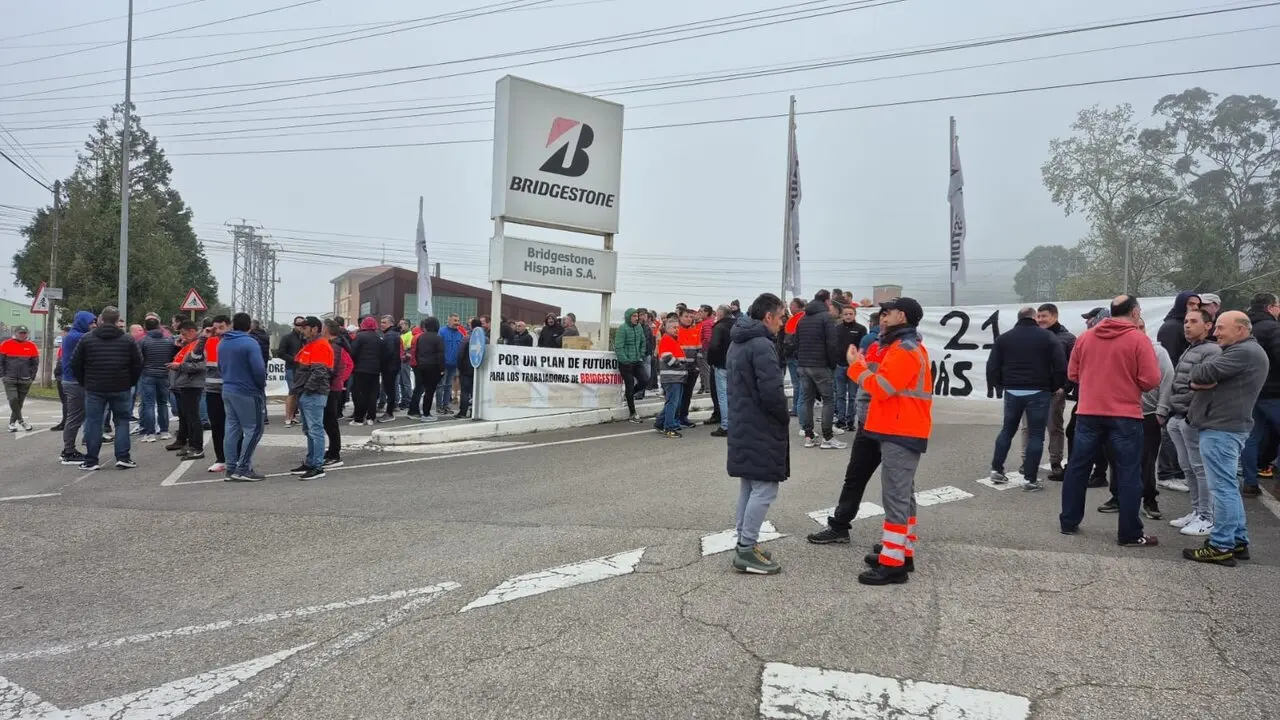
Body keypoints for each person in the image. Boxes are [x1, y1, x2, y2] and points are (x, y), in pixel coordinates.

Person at [809, 297, 933, 586]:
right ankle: (901, 553)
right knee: (903, 495)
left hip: (900, 430)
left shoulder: (904, 349)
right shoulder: (903, 346)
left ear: (902, 316)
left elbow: (883, 387)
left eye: (888, 312)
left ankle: (893, 565)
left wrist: (855, 367)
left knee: (896, 498)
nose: (882, 317)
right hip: (899, 428)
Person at [1059, 295, 1162, 547]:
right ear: (1135, 312)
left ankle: (1068, 522)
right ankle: (1130, 533)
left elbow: (1073, 374)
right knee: (1128, 472)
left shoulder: (1085, 338)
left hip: (1088, 412)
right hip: (1125, 414)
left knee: (1078, 468)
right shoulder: (1138, 339)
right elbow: (1150, 380)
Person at [1184, 310, 1269, 566]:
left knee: (1222, 488)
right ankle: (1237, 539)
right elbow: (1202, 377)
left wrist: (1200, 378)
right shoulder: (1243, 351)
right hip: (1226, 426)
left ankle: (1221, 545)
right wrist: (1202, 380)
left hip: (1222, 428)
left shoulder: (1243, 352)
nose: (1215, 332)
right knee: (1228, 486)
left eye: (1221, 327)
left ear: (1240, 330)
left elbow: (1199, 372)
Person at [726, 293, 789, 575]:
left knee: (749, 486)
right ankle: (746, 548)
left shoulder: (738, 341)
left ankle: (744, 541)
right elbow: (771, 391)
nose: (782, 323)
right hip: (761, 424)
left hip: (742, 420)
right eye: (781, 317)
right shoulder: (762, 344)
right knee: (765, 488)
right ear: (768, 316)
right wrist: (783, 416)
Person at [986, 307, 1066, 491]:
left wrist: (1001, 385)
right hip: (1039, 391)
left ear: (1019, 318)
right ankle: (1030, 480)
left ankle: (996, 469)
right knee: (1036, 435)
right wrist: (1053, 386)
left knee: (1007, 431)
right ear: (1034, 318)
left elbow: (992, 366)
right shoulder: (1047, 337)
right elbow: (1060, 365)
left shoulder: (1004, 338)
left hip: (1013, 391)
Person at [1158, 307, 1220, 538]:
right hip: (1179, 416)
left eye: (1193, 321)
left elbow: (1205, 385)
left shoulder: (1212, 351)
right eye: (1186, 321)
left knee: (1200, 469)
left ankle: (1206, 516)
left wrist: (1190, 414)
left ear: (1208, 326)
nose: (1187, 325)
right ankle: (1196, 511)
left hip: (1192, 418)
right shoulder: (1191, 349)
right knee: (1188, 468)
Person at [70, 307, 143, 471]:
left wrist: (84, 381)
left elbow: (75, 363)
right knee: (122, 421)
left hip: (95, 387)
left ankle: (91, 460)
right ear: (118, 321)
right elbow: (138, 363)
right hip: (121, 386)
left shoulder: (87, 339)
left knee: (94, 423)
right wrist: (130, 381)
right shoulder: (127, 340)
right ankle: (123, 457)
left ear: (101, 320)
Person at [1018, 303, 1076, 482]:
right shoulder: (1030, 336)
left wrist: (1065, 388)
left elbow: (1074, 365)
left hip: (1054, 392)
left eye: (1044, 316)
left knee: (1054, 428)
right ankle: (1027, 461)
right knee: (1028, 428)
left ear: (1055, 316)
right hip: (1031, 390)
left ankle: (1055, 462)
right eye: (1038, 316)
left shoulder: (1068, 338)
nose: (1040, 319)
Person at [1239, 292, 1280, 498]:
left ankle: (1250, 483)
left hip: (1251, 391)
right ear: (1270, 308)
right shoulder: (1274, 328)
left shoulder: (1245, 328)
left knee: (1252, 437)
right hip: (1274, 392)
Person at [219, 312, 268, 482]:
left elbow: (220, 366)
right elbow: (259, 369)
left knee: (232, 429)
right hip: (247, 390)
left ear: (233, 324)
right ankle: (243, 468)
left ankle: (231, 468)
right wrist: (260, 386)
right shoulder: (250, 342)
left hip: (228, 388)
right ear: (249, 326)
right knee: (254, 429)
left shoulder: (223, 342)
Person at [795, 290, 844, 449]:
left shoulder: (803, 319)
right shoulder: (826, 317)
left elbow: (797, 341)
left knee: (807, 400)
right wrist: (832, 364)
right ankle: (827, 437)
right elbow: (832, 343)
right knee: (828, 400)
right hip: (821, 365)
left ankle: (809, 436)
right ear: (826, 301)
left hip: (803, 365)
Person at [290, 316, 335, 481]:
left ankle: (317, 466)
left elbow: (319, 372)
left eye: (305, 327)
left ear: (315, 328)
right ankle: (311, 462)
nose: (302, 330)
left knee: (315, 430)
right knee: (310, 430)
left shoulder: (320, 345)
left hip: (314, 393)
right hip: (309, 392)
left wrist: (307, 390)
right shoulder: (311, 344)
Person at [192, 315, 230, 474]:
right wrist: (203, 337)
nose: (218, 331)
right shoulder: (209, 341)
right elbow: (195, 357)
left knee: (234, 426)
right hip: (213, 390)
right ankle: (221, 459)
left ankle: (236, 457)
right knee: (217, 426)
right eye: (215, 328)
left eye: (222, 327)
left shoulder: (232, 341)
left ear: (229, 326)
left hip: (231, 389)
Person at [58, 311, 96, 465]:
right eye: (91, 322)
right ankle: (69, 451)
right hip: (74, 382)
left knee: (77, 416)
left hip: (74, 381)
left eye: (94, 322)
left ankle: (69, 449)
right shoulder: (78, 337)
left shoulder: (74, 335)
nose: (93, 325)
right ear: (82, 322)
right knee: (74, 417)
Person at [168, 321, 206, 459]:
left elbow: (200, 366)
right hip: (184, 384)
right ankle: (189, 443)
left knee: (193, 417)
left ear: (192, 331)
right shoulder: (189, 345)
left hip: (192, 384)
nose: (182, 337)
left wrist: (179, 366)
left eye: (184, 334)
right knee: (187, 416)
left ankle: (196, 446)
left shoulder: (198, 345)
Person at [136, 317, 175, 443]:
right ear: (159, 326)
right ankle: (164, 431)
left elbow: (138, 359)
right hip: (164, 375)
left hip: (147, 375)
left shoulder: (143, 341)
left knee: (149, 404)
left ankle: (150, 433)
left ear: (145, 327)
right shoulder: (169, 340)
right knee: (163, 403)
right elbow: (172, 356)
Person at [323, 319, 354, 468]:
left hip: (331, 387)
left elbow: (334, 368)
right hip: (333, 386)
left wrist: (339, 379)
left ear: (327, 330)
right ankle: (332, 451)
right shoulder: (338, 344)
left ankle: (334, 454)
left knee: (330, 421)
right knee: (329, 421)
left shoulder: (335, 346)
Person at [833, 305, 867, 431]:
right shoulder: (837, 329)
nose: (848, 316)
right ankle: (841, 420)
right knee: (840, 395)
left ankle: (851, 420)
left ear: (855, 315)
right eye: (846, 314)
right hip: (840, 366)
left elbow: (863, 348)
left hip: (854, 367)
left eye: (850, 314)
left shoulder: (861, 329)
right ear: (842, 315)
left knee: (853, 396)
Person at [1, 325, 39, 431]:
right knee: (13, 399)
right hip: (9, 378)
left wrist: (32, 377)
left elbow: (35, 364)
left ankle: (12, 423)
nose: (23, 335)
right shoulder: (6, 344)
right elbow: (1, 362)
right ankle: (21, 421)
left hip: (25, 379)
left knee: (19, 402)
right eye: (20, 333)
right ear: (15, 333)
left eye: (24, 333)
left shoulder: (31, 346)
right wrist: (3, 375)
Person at [654, 318, 687, 438]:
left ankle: (660, 423)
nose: (677, 330)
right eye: (674, 327)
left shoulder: (673, 340)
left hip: (676, 377)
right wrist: (680, 364)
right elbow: (668, 358)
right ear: (667, 329)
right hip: (672, 377)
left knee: (672, 402)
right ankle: (669, 428)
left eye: (678, 327)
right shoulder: (667, 340)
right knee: (672, 403)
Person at [614, 308, 648, 424]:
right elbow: (618, 346)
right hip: (625, 363)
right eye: (634, 316)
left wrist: (641, 354)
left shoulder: (639, 328)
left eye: (637, 316)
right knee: (629, 385)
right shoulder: (622, 328)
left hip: (637, 361)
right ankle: (632, 413)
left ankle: (630, 394)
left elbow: (643, 342)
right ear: (628, 317)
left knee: (645, 380)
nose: (636, 318)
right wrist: (625, 360)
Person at [707, 305, 736, 437]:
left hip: (722, 365)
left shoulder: (719, 327)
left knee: (723, 396)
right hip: (736, 365)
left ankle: (726, 426)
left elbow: (714, 346)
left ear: (720, 315)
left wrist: (711, 361)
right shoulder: (737, 325)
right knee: (734, 396)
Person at [408, 317, 445, 421]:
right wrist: (442, 369)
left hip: (421, 365)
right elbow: (441, 355)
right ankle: (426, 413)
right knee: (430, 391)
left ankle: (419, 411)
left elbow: (416, 352)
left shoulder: (420, 337)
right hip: (433, 366)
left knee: (420, 388)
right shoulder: (438, 338)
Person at [348, 316, 382, 426]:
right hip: (375, 370)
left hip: (360, 369)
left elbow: (353, 352)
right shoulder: (378, 337)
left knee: (359, 394)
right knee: (372, 394)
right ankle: (371, 417)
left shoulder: (360, 336)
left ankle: (359, 418)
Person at [676, 307, 703, 428]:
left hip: (692, 369)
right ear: (680, 317)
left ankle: (683, 417)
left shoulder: (696, 331)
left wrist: (697, 367)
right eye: (686, 316)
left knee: (687, 395)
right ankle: (674, 418)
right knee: (677, 395)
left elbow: (699, 351)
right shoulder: (676, 331)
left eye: (691, 317)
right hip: (678, 368)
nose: (688, 319)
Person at [277, 316, 305, 426]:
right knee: (293, 392)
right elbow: (280, 353)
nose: (300, 327)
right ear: (294, 325)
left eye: (303, 324)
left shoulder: (305, 338)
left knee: (301, 393)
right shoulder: (287, 337)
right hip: (291, 368)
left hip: (304, 369)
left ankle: (296, 416)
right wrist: (293, 359)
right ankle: (288, 417)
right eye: (298, 324)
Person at [782, 297, 805, 417]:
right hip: (800, 355)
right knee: (801, 383)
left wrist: (787, 351)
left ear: (797, 307)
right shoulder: (805, 318)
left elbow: (789, 340)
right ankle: (800, 407)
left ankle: (796, 407)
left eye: (792, 305)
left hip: (793, 356)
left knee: (797, 384)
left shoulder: (795, 319)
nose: (790, 307)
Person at [439, 314, 466, 415]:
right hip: (443, 364)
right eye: (455, 320)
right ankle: (439, 406)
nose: (457, 323)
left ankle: (446, 405)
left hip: (454, 364)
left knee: (449, 386)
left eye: (458, 320)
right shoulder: (442, 332)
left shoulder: (460, 334)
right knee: (441, 386)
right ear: (449, 321)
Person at [377, 315, 402, 423]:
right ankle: (389, 410)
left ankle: (389, 412)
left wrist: (381, 361)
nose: (382, 324)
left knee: (389, 389)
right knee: (389, 389)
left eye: (384, 322)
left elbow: (389, 352)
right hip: (392, 365)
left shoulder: (390, 335)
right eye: (381, 322)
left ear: (391, 324)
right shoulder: (391, 334)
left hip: (390, 366)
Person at [455, 318, 481, 419]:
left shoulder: (466, 339)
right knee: (476, 392)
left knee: (465, 392)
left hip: (466, 369)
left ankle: (463, 412)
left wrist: (460, 367)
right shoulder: (485, 339)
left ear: (471, 326)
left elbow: (460, 354)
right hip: (479, 370)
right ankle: (475, 411)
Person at [397, 318, 413, 411]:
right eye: (400, 324)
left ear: (407, 325)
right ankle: (404, 400)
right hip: (401, 360)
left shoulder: (409, 335)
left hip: (405, 361)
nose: (400, 326)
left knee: (406, 381)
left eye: (402, 324)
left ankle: (408, 400)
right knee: (401, 382)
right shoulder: (401, 334)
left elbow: (408, 348)